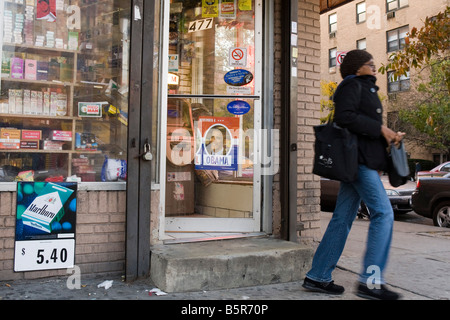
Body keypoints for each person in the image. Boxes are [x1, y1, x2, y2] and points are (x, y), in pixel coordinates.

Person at [303, 50, 405, 300]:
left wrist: (387, 137)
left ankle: (318, 275)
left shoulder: (363, 86)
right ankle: (371, 282)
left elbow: (360, 126)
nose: (374, 66)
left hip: (360, 161)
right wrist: (381, 129)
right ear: (356, 67)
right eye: (369, 63)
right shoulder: (352, 85)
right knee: (383, 213)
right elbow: (345, 118)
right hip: (357, 163)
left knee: (342, 218)